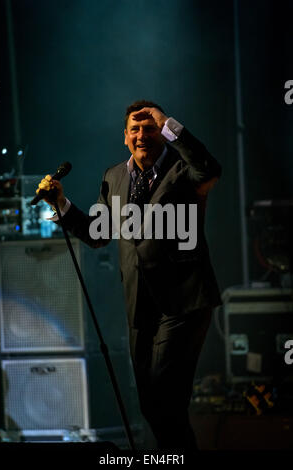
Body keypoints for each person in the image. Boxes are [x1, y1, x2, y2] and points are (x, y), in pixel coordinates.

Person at [37, 100, 222, 451]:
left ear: (162, 134)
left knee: (165, 397)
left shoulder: (183, 170)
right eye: (135, 129)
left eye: (149, 127)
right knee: (154, 407)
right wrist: (61, 204)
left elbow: (210, 169)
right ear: (125, 138)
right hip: (140, 307)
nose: (142, 135)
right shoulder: (114, 177)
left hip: (183, 302)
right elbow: (97, 234)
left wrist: (168, 122)